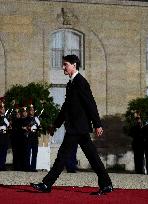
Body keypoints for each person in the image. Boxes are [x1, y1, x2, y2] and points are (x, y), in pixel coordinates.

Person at [30, 54, 113, 195]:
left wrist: (98, 124)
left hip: (77, 128)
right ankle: (106, 185)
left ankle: (46, 184)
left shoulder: (81, 82)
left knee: (62, 156)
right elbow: (66, 108)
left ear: (74, 65)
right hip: (77, 128)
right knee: (92, 157)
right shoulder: (71, 83)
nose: (63, 67)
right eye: (63, 64)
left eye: (66, 64)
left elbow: (90, 104)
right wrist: (55, 125)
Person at [24, 105, 40, 172]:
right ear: (29, 111)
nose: (32, 111)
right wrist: (28, 127)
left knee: (34, 153)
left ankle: (33, 168)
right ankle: (27, 167)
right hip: (29, 137)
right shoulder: (26, 118)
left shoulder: (36, 118)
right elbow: (24, 127)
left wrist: (38, 125)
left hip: (35, 136)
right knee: (27, 153)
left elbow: (39, 127)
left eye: (33, 110)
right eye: (31, 110)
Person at [0, 101, 10, 171]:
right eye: (2, 108)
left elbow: (9, 127)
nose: (3, 110)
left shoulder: (6, 117)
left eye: (4, 108)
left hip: (5, 136)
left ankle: (2, 165)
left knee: (4, 151)